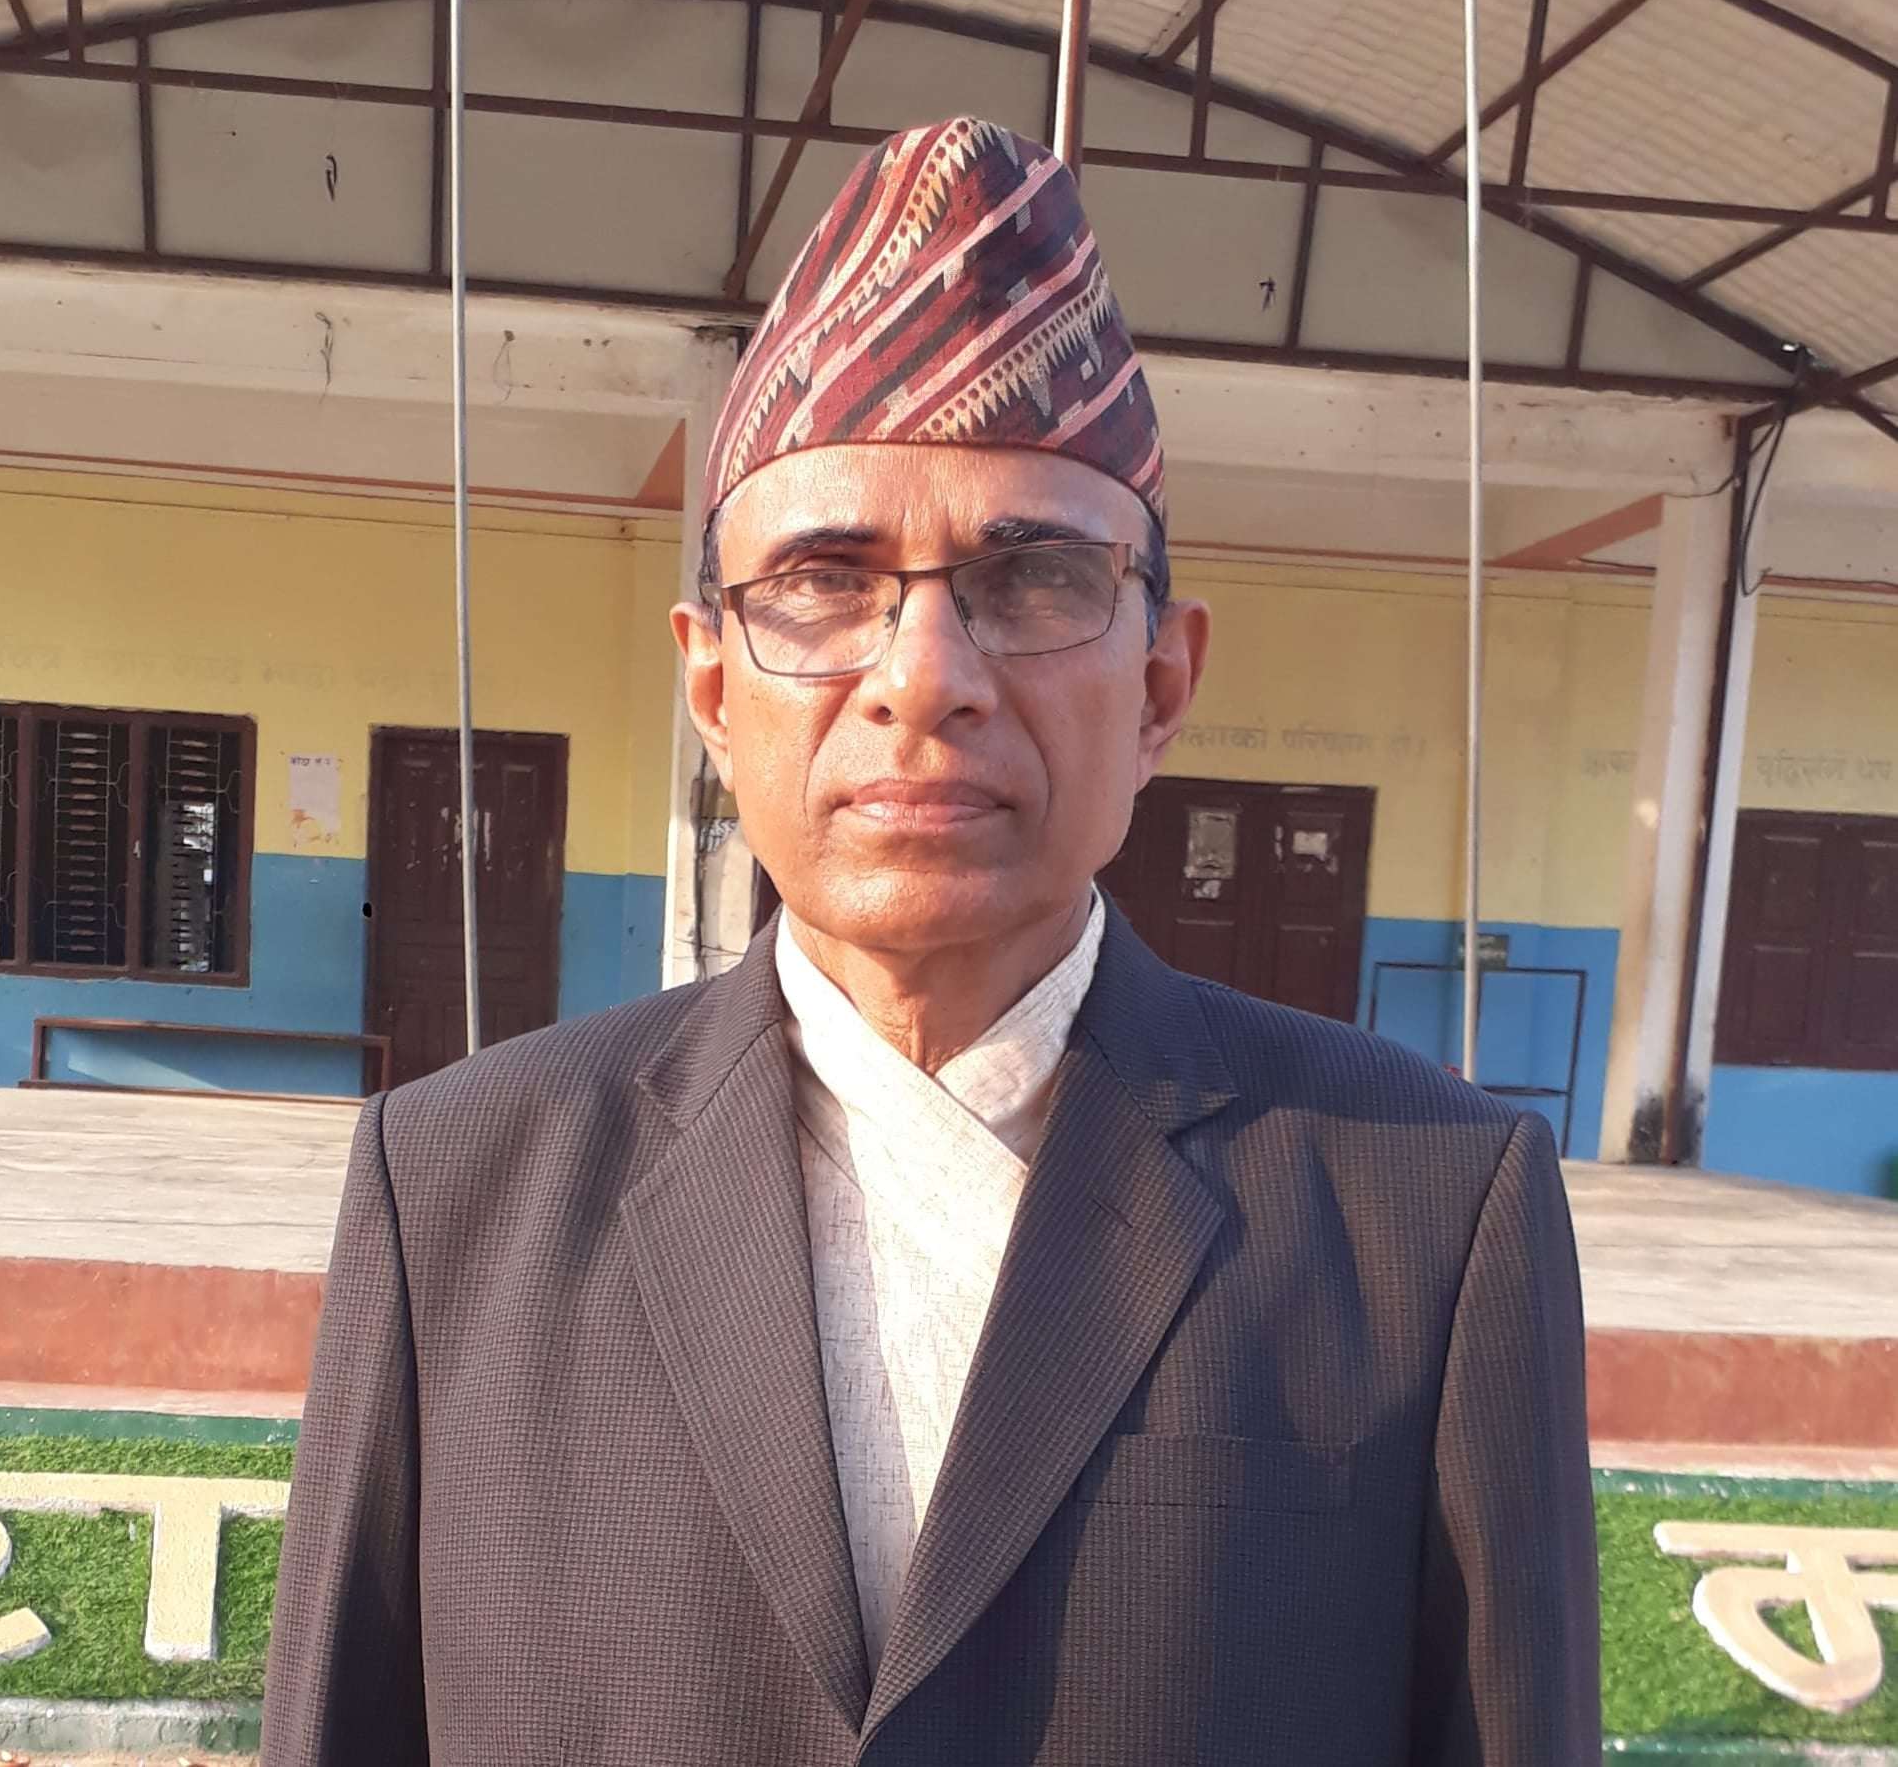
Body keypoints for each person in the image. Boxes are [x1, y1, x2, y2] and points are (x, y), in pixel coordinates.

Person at [265, 114, 1599, 1766]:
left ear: (1161, 684)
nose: (923, 676)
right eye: (822, 582)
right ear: (711, 687)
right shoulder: (461, 1185)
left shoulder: (1420, 1206)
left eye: (1030, 578)